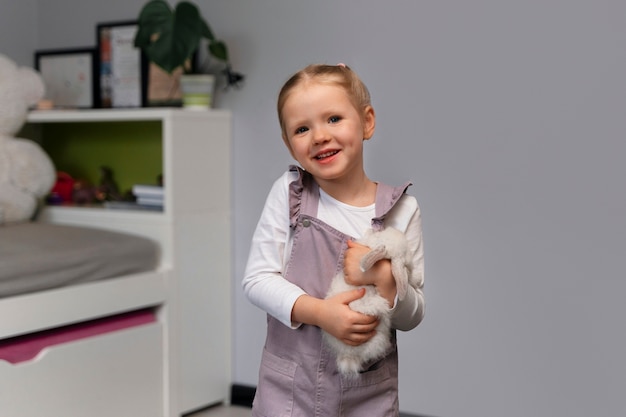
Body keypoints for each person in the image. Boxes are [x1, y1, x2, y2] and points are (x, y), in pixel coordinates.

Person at [243, 63, 425, 417]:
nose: (319, 136)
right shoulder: (289, 194)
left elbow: (413, 315)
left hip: (366, 393)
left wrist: (389, 282)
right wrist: (321, 313)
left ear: (367, 121)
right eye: (301, 128)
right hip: (290, 388)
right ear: (288, 144)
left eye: (333, 119)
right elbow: (256, 280)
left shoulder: (402, 210)